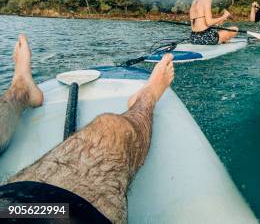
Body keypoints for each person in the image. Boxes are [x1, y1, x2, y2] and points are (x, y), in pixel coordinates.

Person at [0, 34, 175, 223]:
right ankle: (146, 99)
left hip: (9, 210)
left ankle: (21, 89)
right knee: (111, 130)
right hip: (30, 211)